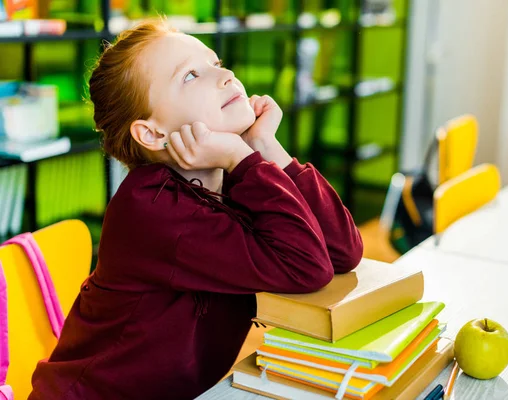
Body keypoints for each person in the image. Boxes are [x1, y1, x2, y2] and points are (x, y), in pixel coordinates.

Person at [29, 18, 363, 400]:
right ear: (153, 134)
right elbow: (306, 267)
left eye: (215, 63)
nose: (225, 76)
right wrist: (242, 155)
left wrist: (265, 147)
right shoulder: (150, 207)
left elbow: (342, 252)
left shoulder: (239, 181)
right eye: (190, 76)